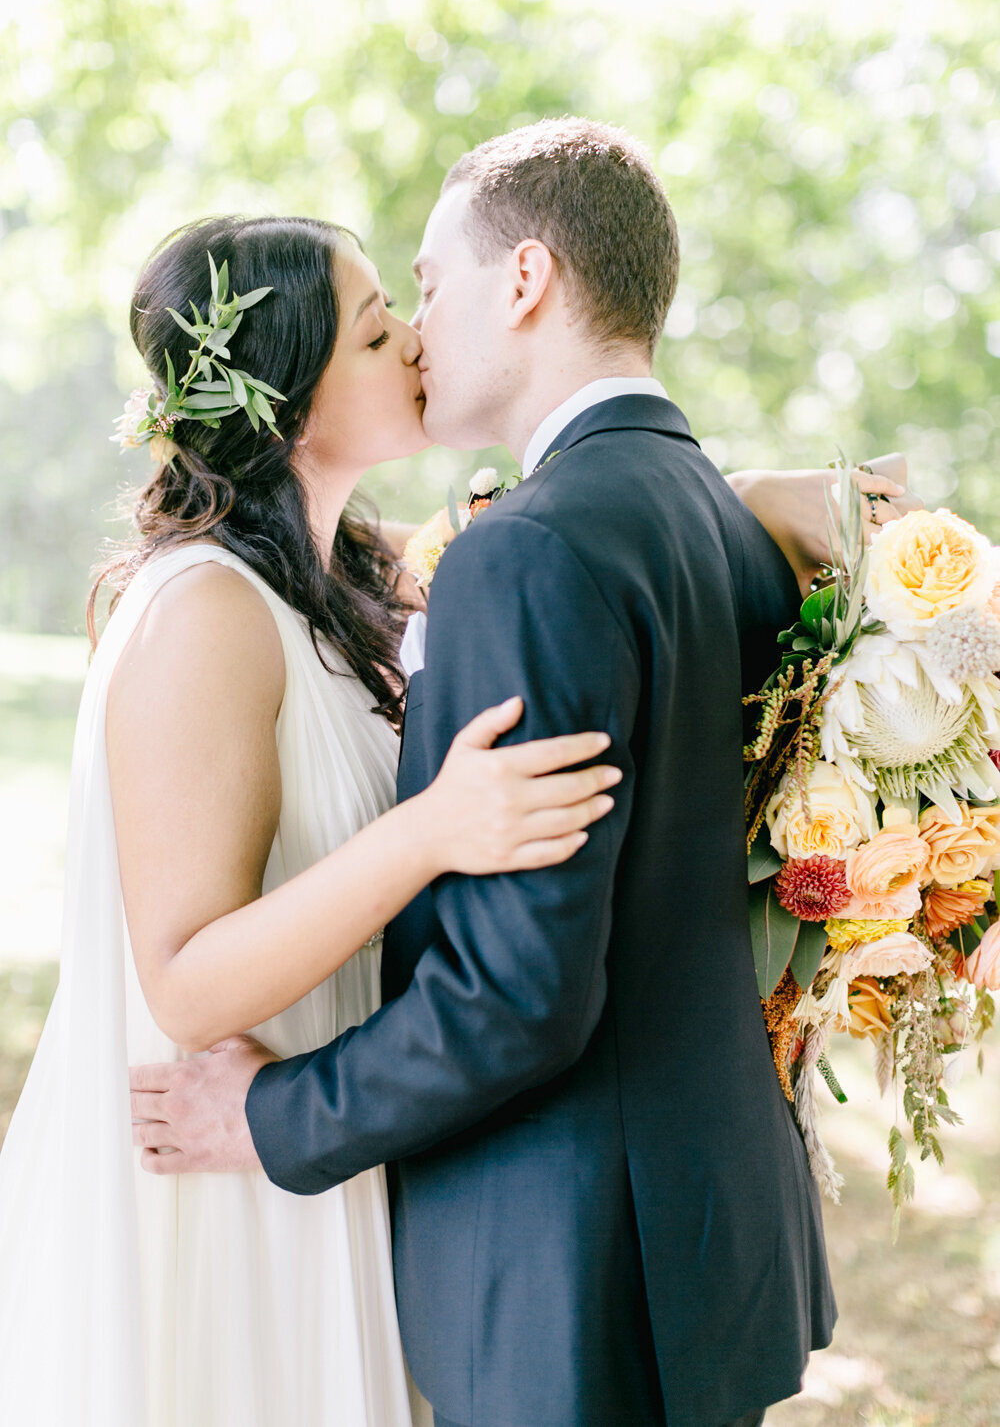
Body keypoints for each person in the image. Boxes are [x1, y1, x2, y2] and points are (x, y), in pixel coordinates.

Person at [129, 121, 912, 1427]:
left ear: (527, 281)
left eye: (423, 290)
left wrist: (268, 1116)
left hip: (564, 1265)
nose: (420, 331)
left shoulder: (530, 550)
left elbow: (520, 997)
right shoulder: (745, 528)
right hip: (703, 1238)